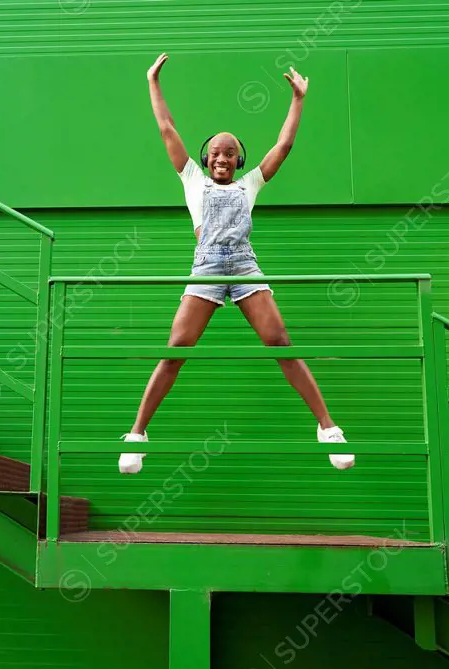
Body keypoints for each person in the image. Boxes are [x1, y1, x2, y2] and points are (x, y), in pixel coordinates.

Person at [118, 52, 354, 475]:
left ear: (238, 161)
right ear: (206, 158)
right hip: (206, 268)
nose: (222, 159)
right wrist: (152, 82)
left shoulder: (251, 183)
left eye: (229, 154)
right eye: (216, 153)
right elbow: (167, 128)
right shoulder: (191, 178)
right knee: (174, 351)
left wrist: (298, 99)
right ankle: (137, 435)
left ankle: (328, 428)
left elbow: (284, 146)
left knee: (281, 343)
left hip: (244, 267)